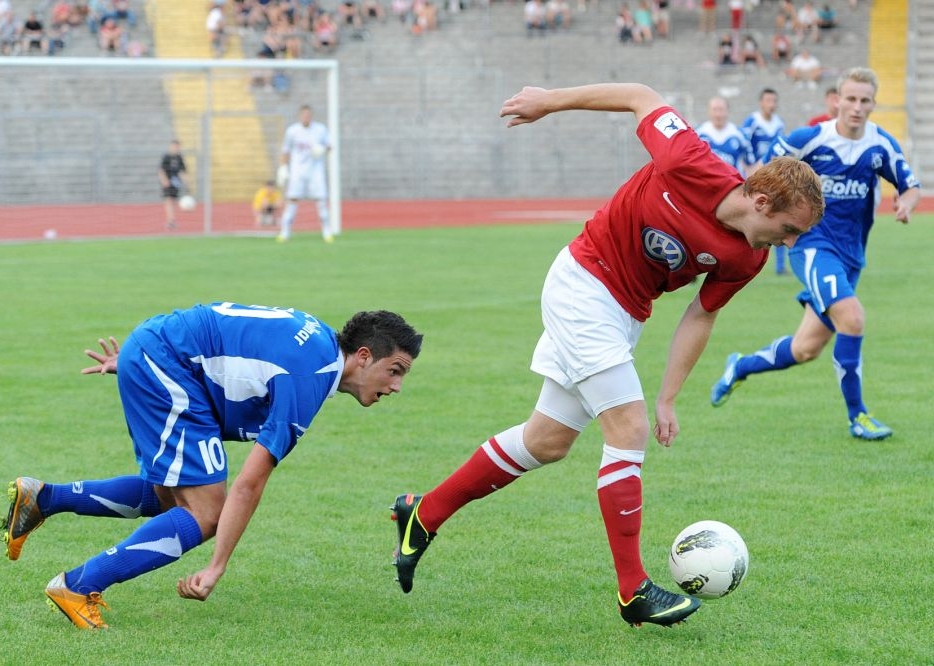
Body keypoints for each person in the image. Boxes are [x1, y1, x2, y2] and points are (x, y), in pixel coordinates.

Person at [390, 81, 823, 628]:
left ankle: (423, 513)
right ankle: (633, 589)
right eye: (788, 230)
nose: (789, 243)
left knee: (546, 441)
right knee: (627, 429)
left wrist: (669, 396)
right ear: (761, 202)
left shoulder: (746, 259)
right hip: (584, 281)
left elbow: (701, 315)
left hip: (624, 314)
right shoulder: (688, 159)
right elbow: (641, 96)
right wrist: (550, 102)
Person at [1, 303, 423, 630]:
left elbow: (232, 338)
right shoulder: (308, 377)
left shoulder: (318, 344)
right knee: (207, 513)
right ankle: (77, 586)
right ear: (363, 356)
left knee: (173, 502)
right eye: (395, 370)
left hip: (163, 357)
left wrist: (138, 359)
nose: (397, 386)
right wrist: (216, 566)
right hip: (167, 364)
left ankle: (44, 499)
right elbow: (249, 485)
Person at [711, 68, 921, 441]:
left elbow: (910, 186)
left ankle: (739, 367)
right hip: (811, 246)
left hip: (851, 256)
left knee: (805, 349)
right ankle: (858, 417)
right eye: (851, 98)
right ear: (837, 100)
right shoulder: (809, 140)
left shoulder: (880, 146)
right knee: (852, 318)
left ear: (873, 103)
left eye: (865, 100)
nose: (857, 107)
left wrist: (906, 203)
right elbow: (763, 175)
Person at [740, 88, 787, 273]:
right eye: (768, 100)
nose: (771, 104)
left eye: (774, 101)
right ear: (761, 102)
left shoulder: (779, 123)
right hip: (755, 177)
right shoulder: (752, 121)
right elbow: (743, 143)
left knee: (780, 214)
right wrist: (749, 166)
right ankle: (741, 261)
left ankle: (780, 266)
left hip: (772, 178)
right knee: (749, 217)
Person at [276, 105, 333, 243]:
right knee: (292, 199)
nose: (306, 117)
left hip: (315, 171)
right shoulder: (292, 131)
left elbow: (330, 145)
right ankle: (285, 233)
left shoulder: (320, 129)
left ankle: (327, 232)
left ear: (311, 116)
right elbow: (285, 150)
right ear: (300, 116)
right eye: (304, 115)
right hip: (298, 171)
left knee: (321, 200)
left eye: (308, 115)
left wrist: (322, 149)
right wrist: (283, 167)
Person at [696, 96, 756, 177]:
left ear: (727, 111)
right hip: (707, 182)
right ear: (709, 112)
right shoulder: (698, 134)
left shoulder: (739, 134)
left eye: (721, 110)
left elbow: (750, 163)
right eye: (714, 110)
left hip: (733, 182)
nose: (718, 114)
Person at [158, 139, 191, 230]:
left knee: (173, 201)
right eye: (174, 147)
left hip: (176, 183)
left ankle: (172, 220)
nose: (176, 148)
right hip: (168, 183)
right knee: (168, 200)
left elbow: (182, 171)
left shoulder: (179, 158)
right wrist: (164, 181)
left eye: (177, 147)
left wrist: (187, 182)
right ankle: (170, 221)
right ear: (171, 147)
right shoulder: (167, 157)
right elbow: (161, 170)